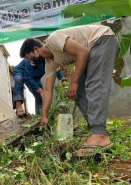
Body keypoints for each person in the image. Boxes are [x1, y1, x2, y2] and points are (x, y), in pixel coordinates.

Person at [19, 24, 119, 157]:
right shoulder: (50, 63)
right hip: (90, 52)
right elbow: (48, 91)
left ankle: (99, 135)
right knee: (77, 93)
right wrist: (44, 115)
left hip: (101, 39)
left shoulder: (53, 40)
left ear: (36, 49)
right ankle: (95, 130)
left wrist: (74, 81)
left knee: (94, 84)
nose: (33, 63)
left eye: (31, 58)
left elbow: (82, 53)